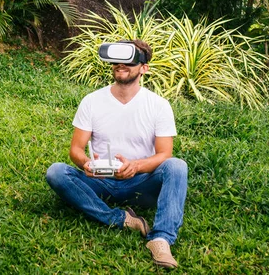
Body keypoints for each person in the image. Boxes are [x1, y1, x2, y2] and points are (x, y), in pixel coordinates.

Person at [46, 39, 188, 269]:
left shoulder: (158, 105)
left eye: (129, 60)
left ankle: (161, 239)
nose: (120, 65)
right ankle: (122, 219)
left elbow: (164, 154)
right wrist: (86, 163)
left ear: (144, 68)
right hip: (101, 181)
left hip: (141, 184)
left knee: (177, 166)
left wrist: (136, 166)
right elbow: (75, 150)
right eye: (116, 60)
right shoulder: (92, 101)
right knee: (56, 172)